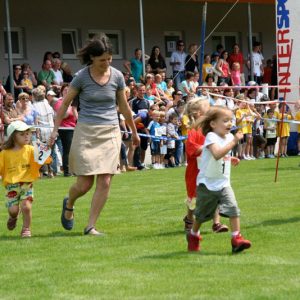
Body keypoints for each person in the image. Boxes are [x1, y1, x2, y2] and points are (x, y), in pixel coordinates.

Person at [49, 34, 139, 236]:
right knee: (84, 184)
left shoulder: (117, 76)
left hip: (110, 131)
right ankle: (69, 202)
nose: (106, 63)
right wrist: (55, 129)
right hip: (87, 130)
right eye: (102, 60)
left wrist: (134, 132)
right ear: (91, 58)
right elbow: (65, 104)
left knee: (105, 180)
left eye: (109, 59)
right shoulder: (81, 76)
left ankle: (90, 226)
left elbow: (123, 106)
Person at [187, 106, 251, 253]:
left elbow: (222, 155)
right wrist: (234, 141)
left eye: (231, 120)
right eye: (225, 120)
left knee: (233, 208)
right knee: (202, 215)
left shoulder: (228, 137)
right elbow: (216, 154)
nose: (229, 123)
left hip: (223, 183)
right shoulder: (211, 137)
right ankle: (193, 235)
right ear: (213, 124)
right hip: (207, 184)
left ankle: (236, 238)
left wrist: (230, 158)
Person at [183, 97, 229, 233]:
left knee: (214, 193)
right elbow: (191, 149)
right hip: (195, 171)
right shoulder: (193, 131)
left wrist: (228, 157)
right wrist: (207, 147)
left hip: (211, 168)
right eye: (207, 106)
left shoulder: (213, 130)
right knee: (193, 199)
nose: (211, 108)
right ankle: (189, 219)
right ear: (198, 113)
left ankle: (217, 223)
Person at [0, 121, 52, 237]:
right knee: (13, 210)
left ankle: (26, 229)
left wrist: (46, 149)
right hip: (11, 185)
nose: (27, 136)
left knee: (26, 206)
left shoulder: (31, 149)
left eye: (28, 133)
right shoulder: (4, 153)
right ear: (13, 136)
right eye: (22, 134)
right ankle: (13, 216)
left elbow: (46, 159)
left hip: (27, 184)